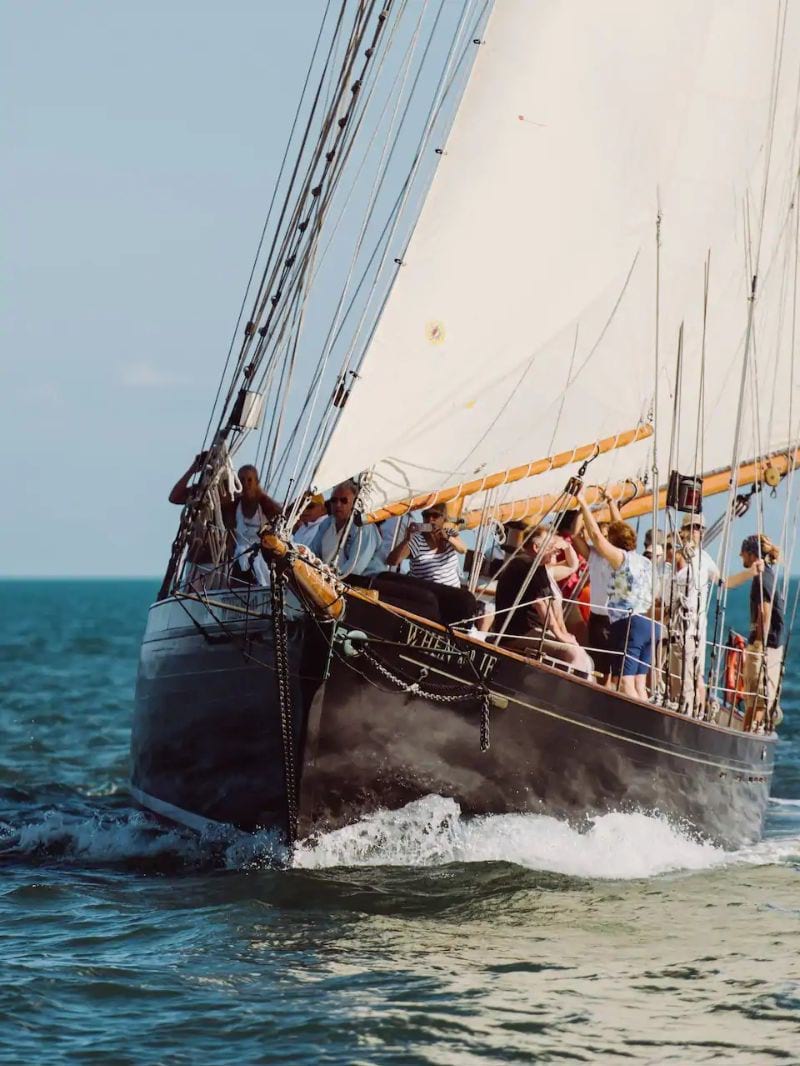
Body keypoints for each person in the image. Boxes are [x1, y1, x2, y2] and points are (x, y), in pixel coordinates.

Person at [576, 490, 657, 700]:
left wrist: (583, 503)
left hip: (627, 625)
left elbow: (597, 538)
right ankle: (648, 724)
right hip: (647, 625)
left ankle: (633, 726)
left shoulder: (621, 559)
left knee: (625, 684)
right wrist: (612, 504)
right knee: (640, 685)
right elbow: (620, 531)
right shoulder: (642, 561)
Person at [493, 526, 594, 677]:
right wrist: (560, 635)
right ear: (536, 547)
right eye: (551, 545)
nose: (556, 550)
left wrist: (566, 545)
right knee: (573, 653)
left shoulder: (541, 569)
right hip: (517, 634)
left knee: (584, 658)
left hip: (533, 631)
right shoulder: (526, 565)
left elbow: (572, 565)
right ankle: (559, 695)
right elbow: (541, 604)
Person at [386, 504, 482, 629]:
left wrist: (447, 538)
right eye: (426, 515)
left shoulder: (449, 533)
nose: (430, 519)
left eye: (435, 515)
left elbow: (463, 549)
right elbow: (392, 561)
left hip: (453, 596)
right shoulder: (417, 541)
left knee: (467, 604)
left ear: (444, 519)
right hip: (431, 599)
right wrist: (407, 539)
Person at [668, 513, 720, 714]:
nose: (697, 531)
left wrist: (751, 573)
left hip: (697, 625)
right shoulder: (678, 554)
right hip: (679, 623)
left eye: (700, 528)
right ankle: (685, 710)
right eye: (693, 527)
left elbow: (723, 581)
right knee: (680, 673)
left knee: (696, 673)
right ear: (684, 530)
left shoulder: (704, 558)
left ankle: (695, 713)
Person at [734, 534, 785, 733]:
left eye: (743, 554)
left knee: (756, 697)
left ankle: (748, 733)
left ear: (751, 553)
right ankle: (751, 731)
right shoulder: (768, 574)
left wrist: (758, 643)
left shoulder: (761, 578)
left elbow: (764, 611)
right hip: (772, 644)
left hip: (764, 645)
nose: (741, 557)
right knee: (757, 697)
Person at [573, 491, 619, 686]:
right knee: (597, 665)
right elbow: (575, 536)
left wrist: (611, 502)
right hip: (596, 618)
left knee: (609, 669)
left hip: (612, 619)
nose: (603, 539)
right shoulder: (593, 555)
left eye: (607, 536)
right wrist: (579, 509)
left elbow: (620, 527)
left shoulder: (618, 558)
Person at [308, 480, 384, 577]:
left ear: (355, 503)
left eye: (344, 501)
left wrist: (329, 578)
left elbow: (355, 568)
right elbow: (312, 553)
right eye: (334, 500)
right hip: (329, 580)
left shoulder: (363, 528)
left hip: (363, 583)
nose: (338, 504)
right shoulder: (326, 524)